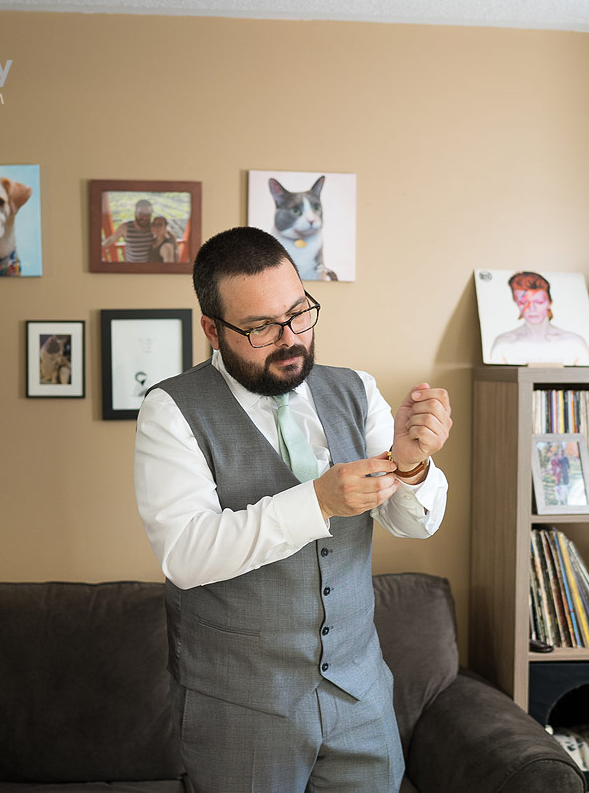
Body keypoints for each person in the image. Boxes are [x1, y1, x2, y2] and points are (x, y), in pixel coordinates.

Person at [134, 226, 451, 792]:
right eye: (260, 327)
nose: (290, 338)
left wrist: (411, 465)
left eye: (299, 312)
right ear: (213, 328)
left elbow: (413, 521)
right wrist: (318, 501)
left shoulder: (358, 389)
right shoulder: (171, 410)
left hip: (363, 700)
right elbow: (185, 554)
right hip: (242, 711)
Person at [489, 271, 589, 365]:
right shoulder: (504, 344)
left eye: (538, 302)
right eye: (523, 303)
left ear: (549, 302)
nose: (532, 308)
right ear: (516, 303)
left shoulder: (574, 343)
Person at [101, 198, 156, 262]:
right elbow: (111, 240)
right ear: (135, 213)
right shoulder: (125, 227)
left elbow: (166, 233)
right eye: (141, 213)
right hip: (130, 267)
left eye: (147, 214)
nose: (144, 217)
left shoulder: (154, 227)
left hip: (147, 267)